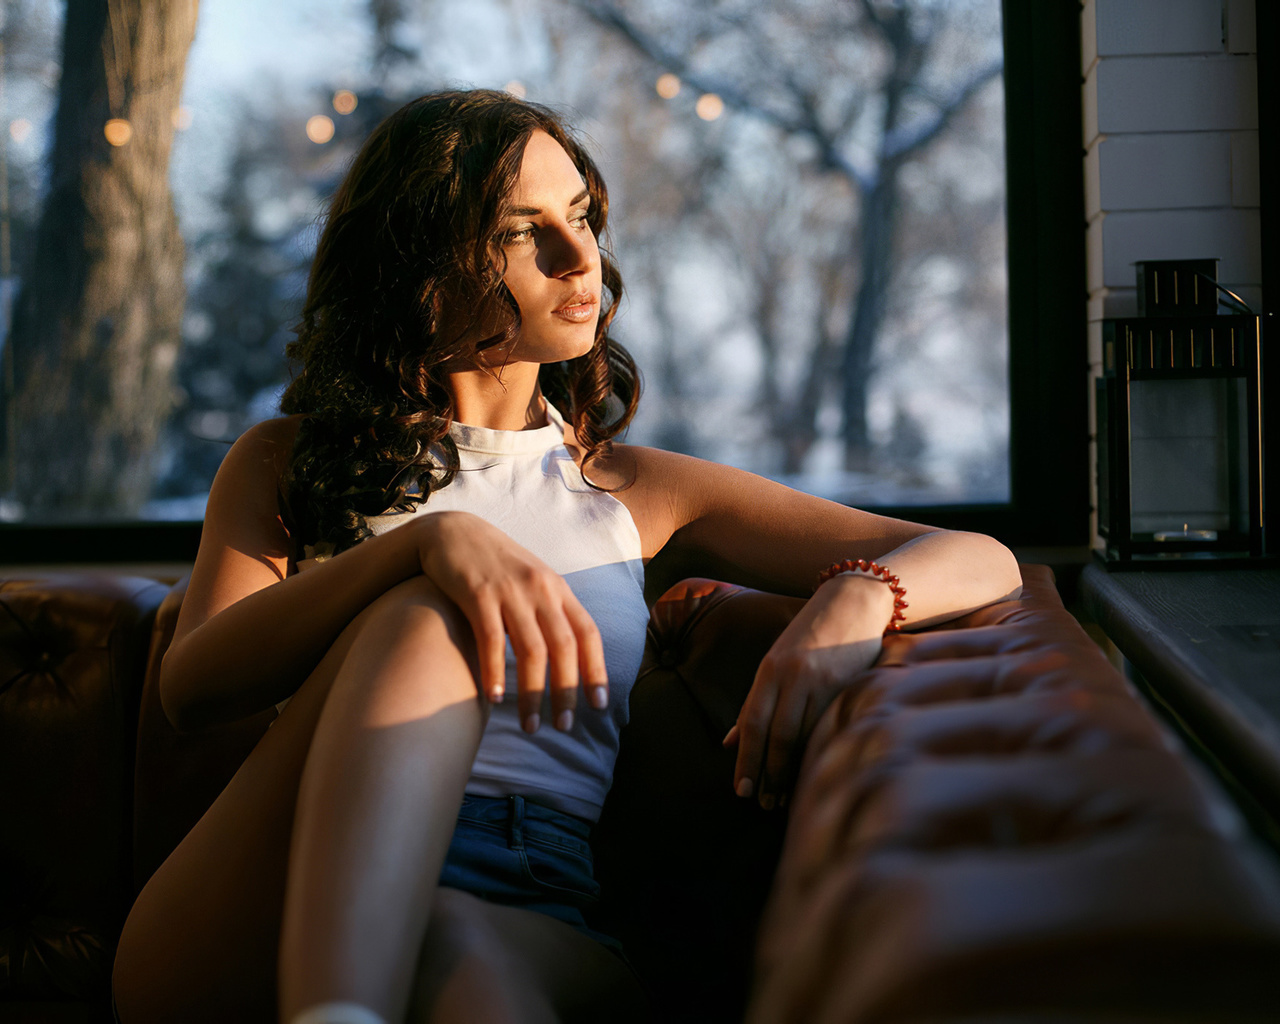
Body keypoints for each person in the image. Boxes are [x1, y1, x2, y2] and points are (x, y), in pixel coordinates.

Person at [110, 89, 1022, 1024]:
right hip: (275, 885)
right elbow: (191, 688)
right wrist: (426, 546)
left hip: (520, 895)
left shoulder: (630, 487)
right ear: (424, 259)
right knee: (426, 616)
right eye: (522, 231)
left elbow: (986, 557)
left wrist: (858, 601)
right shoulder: (286, 461)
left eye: (580, 216)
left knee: (455, 952)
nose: (580, 256)